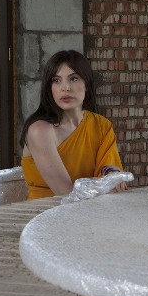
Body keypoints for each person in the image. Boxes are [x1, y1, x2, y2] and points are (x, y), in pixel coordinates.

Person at [19, 50, 127, 199]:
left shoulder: (101, 125)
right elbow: (67, 195)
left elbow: (109, 169)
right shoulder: (39, 131)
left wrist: (113, 176)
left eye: (74, 78)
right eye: (56, 80)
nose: (65, 88)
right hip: (46, 210)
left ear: (87, 84)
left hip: (91, 206)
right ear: (50, 88)